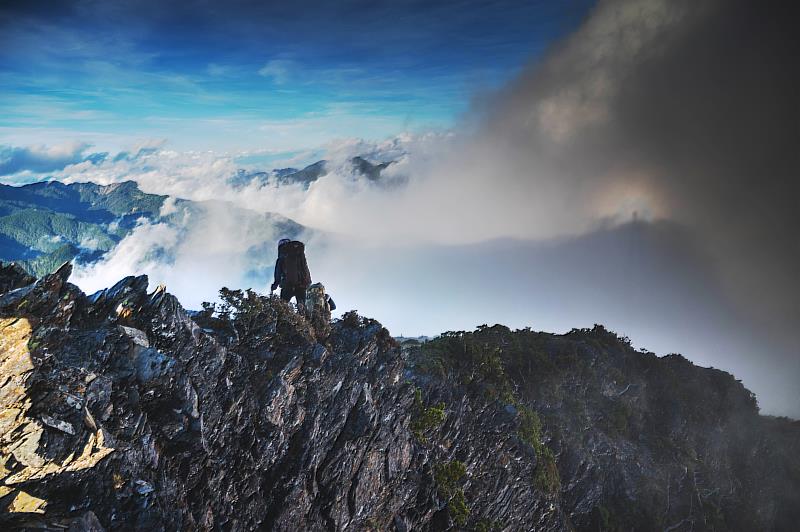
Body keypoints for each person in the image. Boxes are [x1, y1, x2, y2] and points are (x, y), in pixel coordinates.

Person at [271, 238, 312, 313]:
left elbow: (278, 273)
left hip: (287, 285)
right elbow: (305, 268)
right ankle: (303, 318)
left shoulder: (281, 258)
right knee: (302, 305)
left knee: (282, 306)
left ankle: (282, 319)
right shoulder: (299, 255)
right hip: (302, 285)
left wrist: (275, 284)